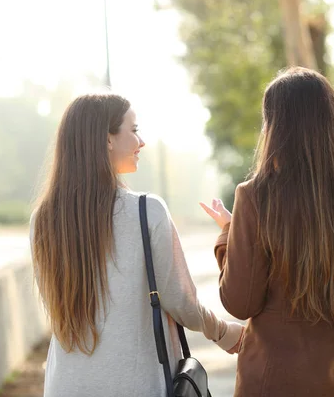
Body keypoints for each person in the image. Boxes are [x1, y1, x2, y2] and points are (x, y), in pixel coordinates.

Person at [200, 67, 334, 397]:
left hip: (274, 382)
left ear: (274, 127)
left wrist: (228, 233)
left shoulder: (255, 197)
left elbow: (240, 302)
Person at [29, 93, 244, 397]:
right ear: (107, 140)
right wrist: (224, 333)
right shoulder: (146, 211)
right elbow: (180, 302)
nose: (141, 142)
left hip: (64, 385)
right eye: (134, 130)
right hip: (134, 384)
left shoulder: (43, 219)